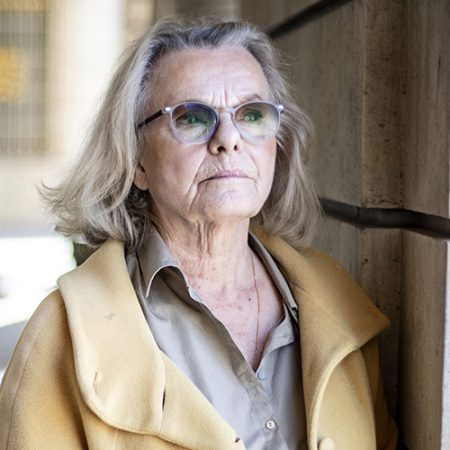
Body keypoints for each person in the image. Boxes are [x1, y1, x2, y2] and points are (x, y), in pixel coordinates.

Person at [0, 18, 397, 450]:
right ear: (136, 161)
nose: (228, 139)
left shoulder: (339, 305)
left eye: (252, 114)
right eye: (191, 118)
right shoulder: (62, 335)